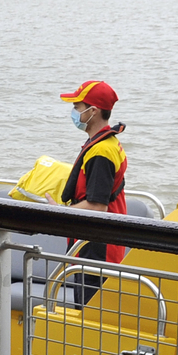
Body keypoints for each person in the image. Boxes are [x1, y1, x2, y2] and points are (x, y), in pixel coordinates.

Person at [59, 80, 128, 306]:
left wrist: (58, 212)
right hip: (96, 245)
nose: (74, 113)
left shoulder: (101, 151)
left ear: (93, 111)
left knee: (89, 315)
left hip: (97, 250)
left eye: (78, 107)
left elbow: (97, 206)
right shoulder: (104, 143)